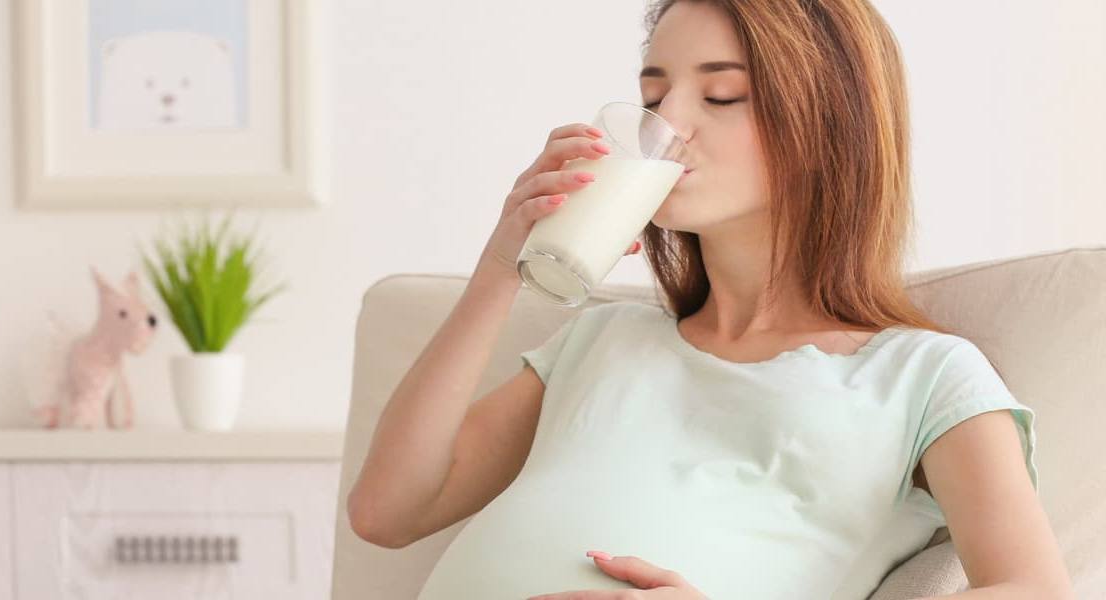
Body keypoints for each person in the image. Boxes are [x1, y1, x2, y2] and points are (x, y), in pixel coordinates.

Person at [347, 1, 1074, 598]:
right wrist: (502, 268)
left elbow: (1031, 589)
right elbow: (387, 511)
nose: (671, 123)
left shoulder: (925, 374)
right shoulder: (603, 339)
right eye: (654, 95)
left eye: (721, 94)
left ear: (826, 127)